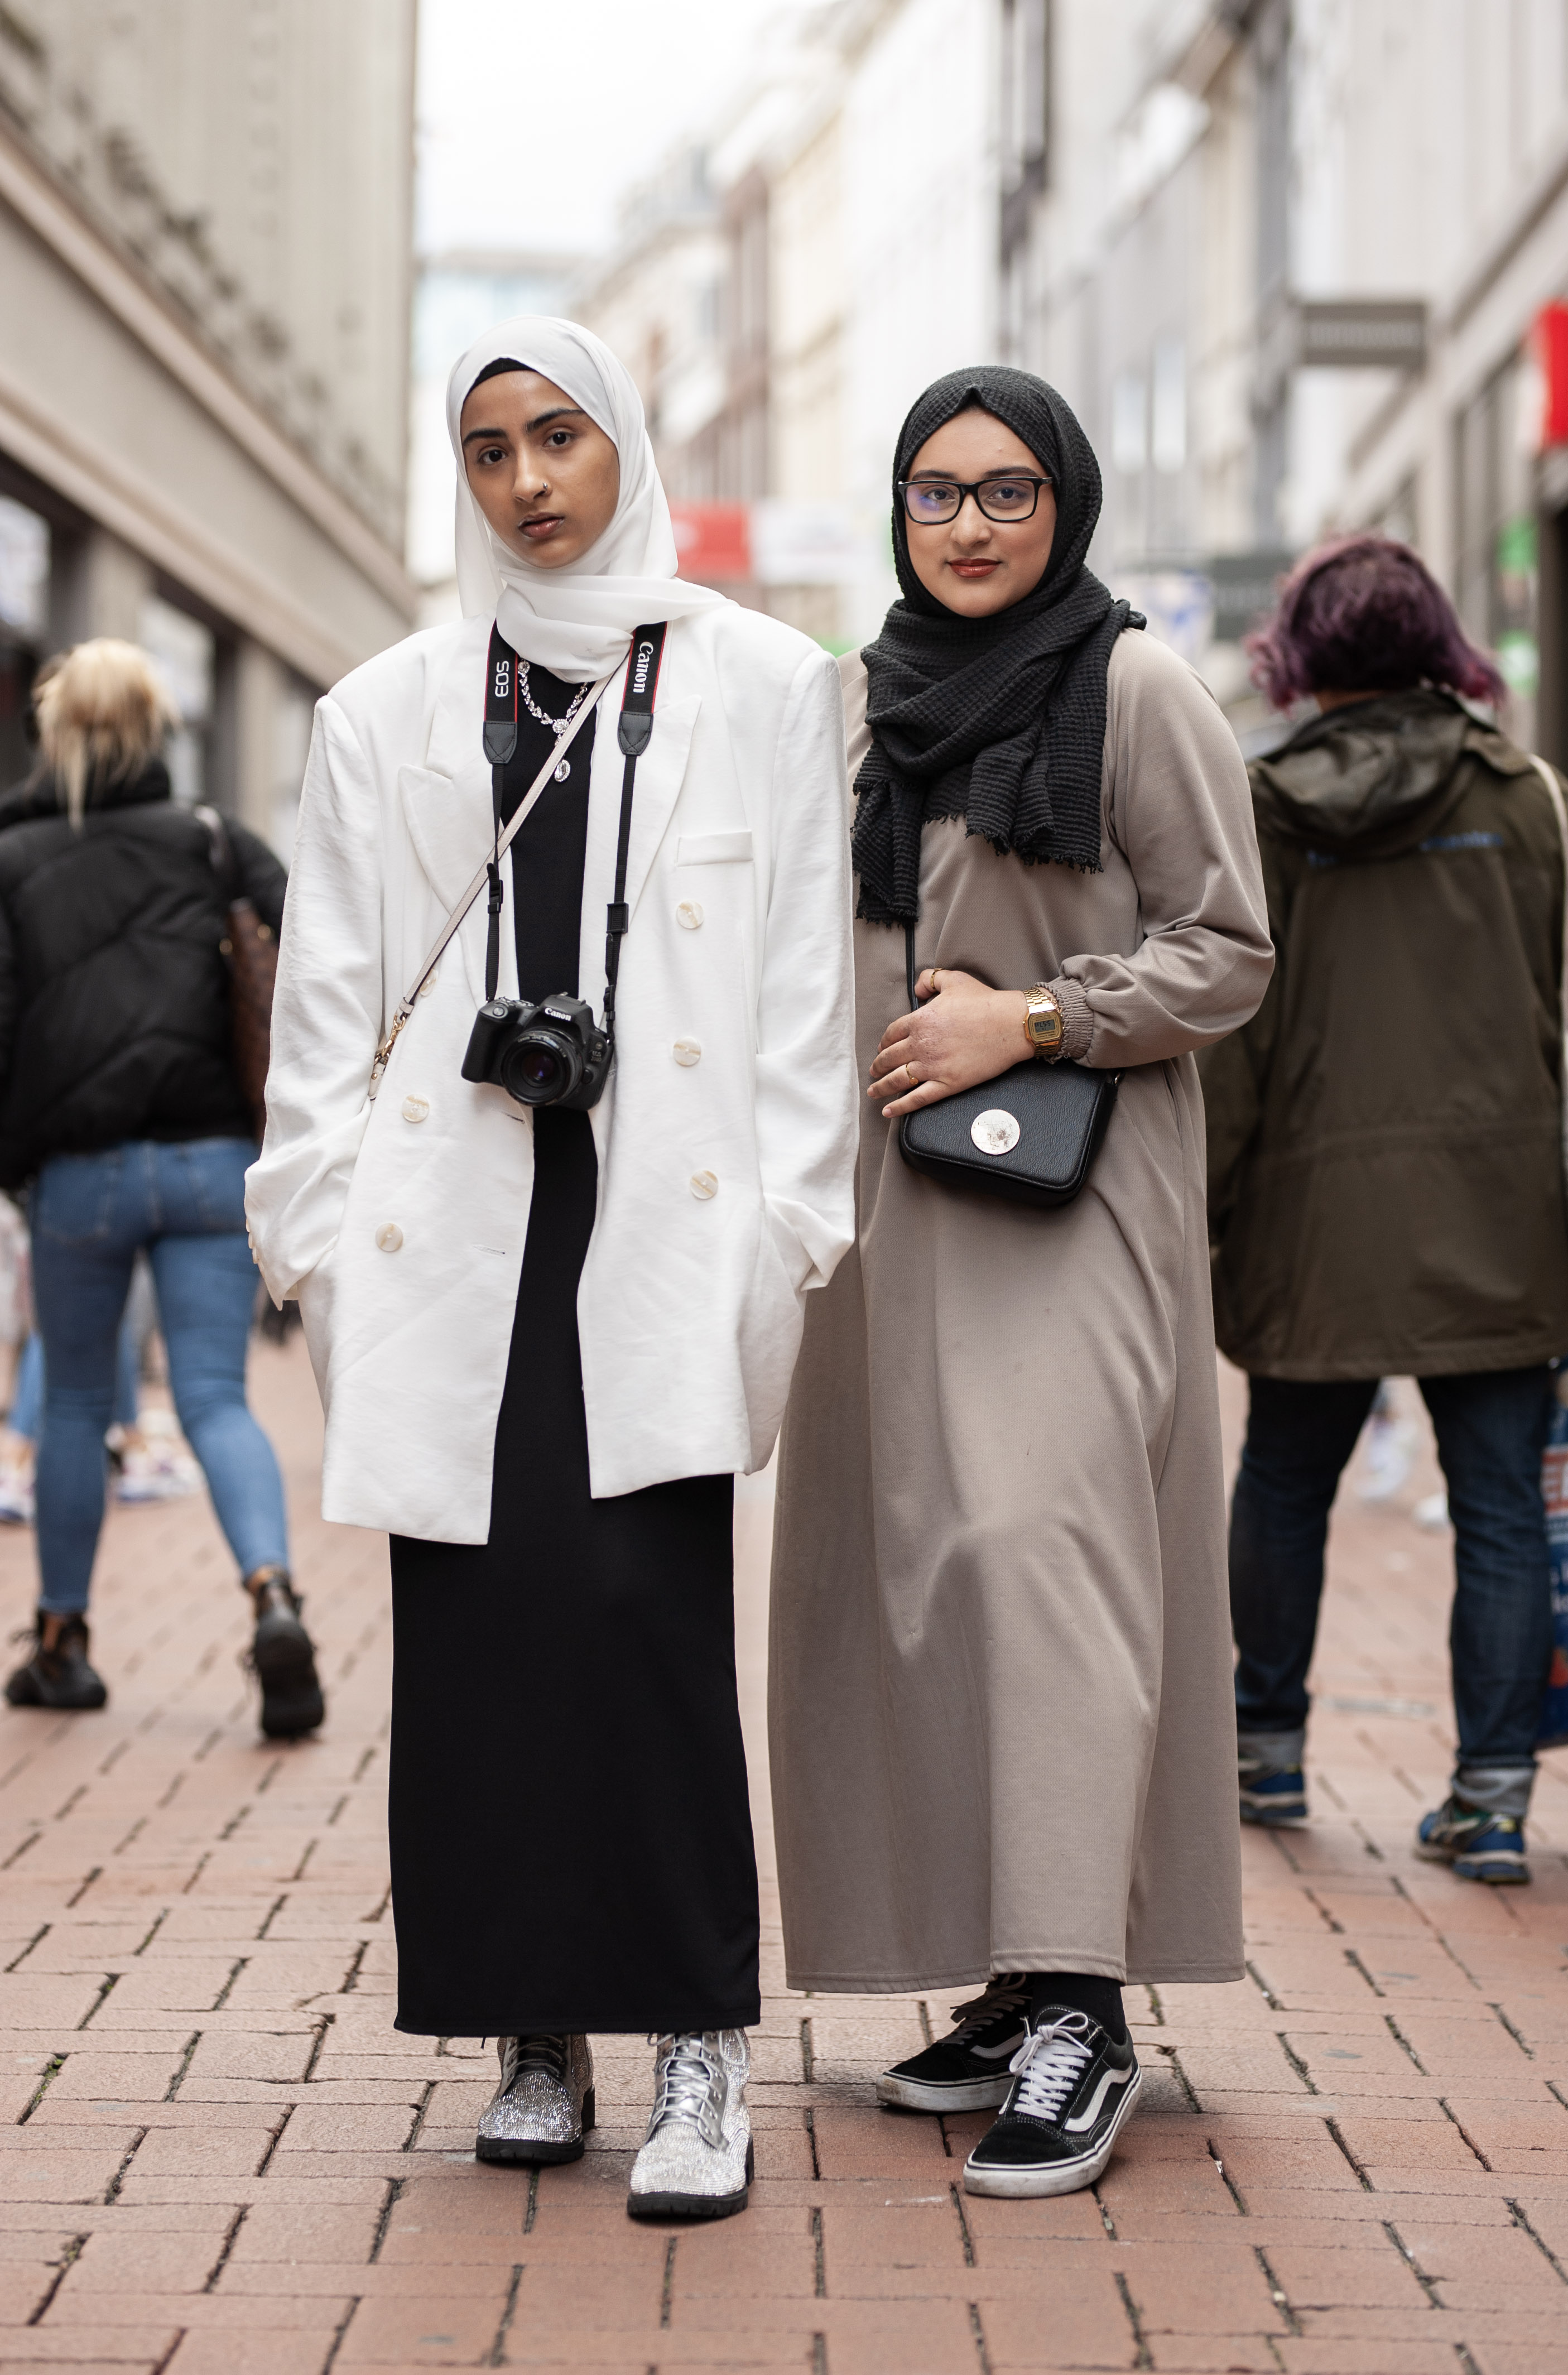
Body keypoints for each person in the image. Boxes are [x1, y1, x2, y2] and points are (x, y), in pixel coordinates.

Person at [244, 316, 855, 2221]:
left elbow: (803, 1001)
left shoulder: (762, 681)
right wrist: (322, 1244)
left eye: (560, 437)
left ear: (625, 446)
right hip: (455, 1222)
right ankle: (532, 2026)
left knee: (650, 1620)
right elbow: (324, 1006)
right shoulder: (386, 709)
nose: (528, 479)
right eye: (492, 447)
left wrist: (786, 1231)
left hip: (660, 1210)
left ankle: (696, 2041)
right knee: (481, 1629)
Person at [768, 367, 1273, 2200]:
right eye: (932, 493)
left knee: (1030, 1550)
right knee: (898, 1574)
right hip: (890, 1217)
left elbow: (1227, 948)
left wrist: (1035, 1014)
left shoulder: (1134, 687)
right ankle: (1006, 1962)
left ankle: (1083, 2005)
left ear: (1064, 498)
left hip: (1077, 1196)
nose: (969, 525)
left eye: (1003, 490)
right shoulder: (852, 704)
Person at [1200, 534, 1568, 1886]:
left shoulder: (1257, 804)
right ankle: (1489, 1799)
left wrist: (1202, 1215)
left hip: (1315, 1215)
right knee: (1500, 1506)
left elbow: (1230, 1039)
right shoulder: (1530, 797)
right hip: (1502, 1208)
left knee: (1288, 1480)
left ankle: (1266, 1749)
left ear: (1299, 655)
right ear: (1440, 640)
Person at [0, 640, 319, 1735]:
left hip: (78, 1174)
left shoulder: (13, 853)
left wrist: (19, 1167)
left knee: (80, 1406)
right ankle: (275, 1595)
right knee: (215, 1398)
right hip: (208, 1161)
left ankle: (62, 1642)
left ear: (58, 735)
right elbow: (316, 951)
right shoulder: (215, 841)